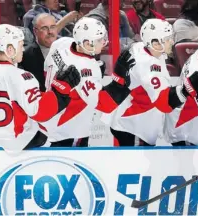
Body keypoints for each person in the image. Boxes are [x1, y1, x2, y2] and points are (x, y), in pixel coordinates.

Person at [102, 18, 198, 146]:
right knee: (135, 166)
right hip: (134, 127)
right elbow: (164, 103)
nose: (172, 41)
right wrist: (190, 85)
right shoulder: (150, 66)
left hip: (130, 121)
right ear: (155, 43)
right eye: (168, 38)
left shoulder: (141, 47)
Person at [0, 24, 80, 152]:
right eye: (21, 45)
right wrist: (61, 89)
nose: (23, 49)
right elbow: (41, 112)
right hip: (11, 143)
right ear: (10, 49)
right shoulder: (22, 77)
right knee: (48, 136)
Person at [42, 17, 134, 147]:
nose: (104, 42)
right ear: (86, 43)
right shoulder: (87, 67)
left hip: (48, 122)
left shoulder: (61, 43)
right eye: (99, 39)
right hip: (69, 132)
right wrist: (119, 79)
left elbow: (46, 71)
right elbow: (105, 104)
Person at [19, 13, 58, 92]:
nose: (50, 31)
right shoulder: (25, 56)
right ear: (35, 31)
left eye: (53, 27)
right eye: (44, 28)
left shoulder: (67, 51)